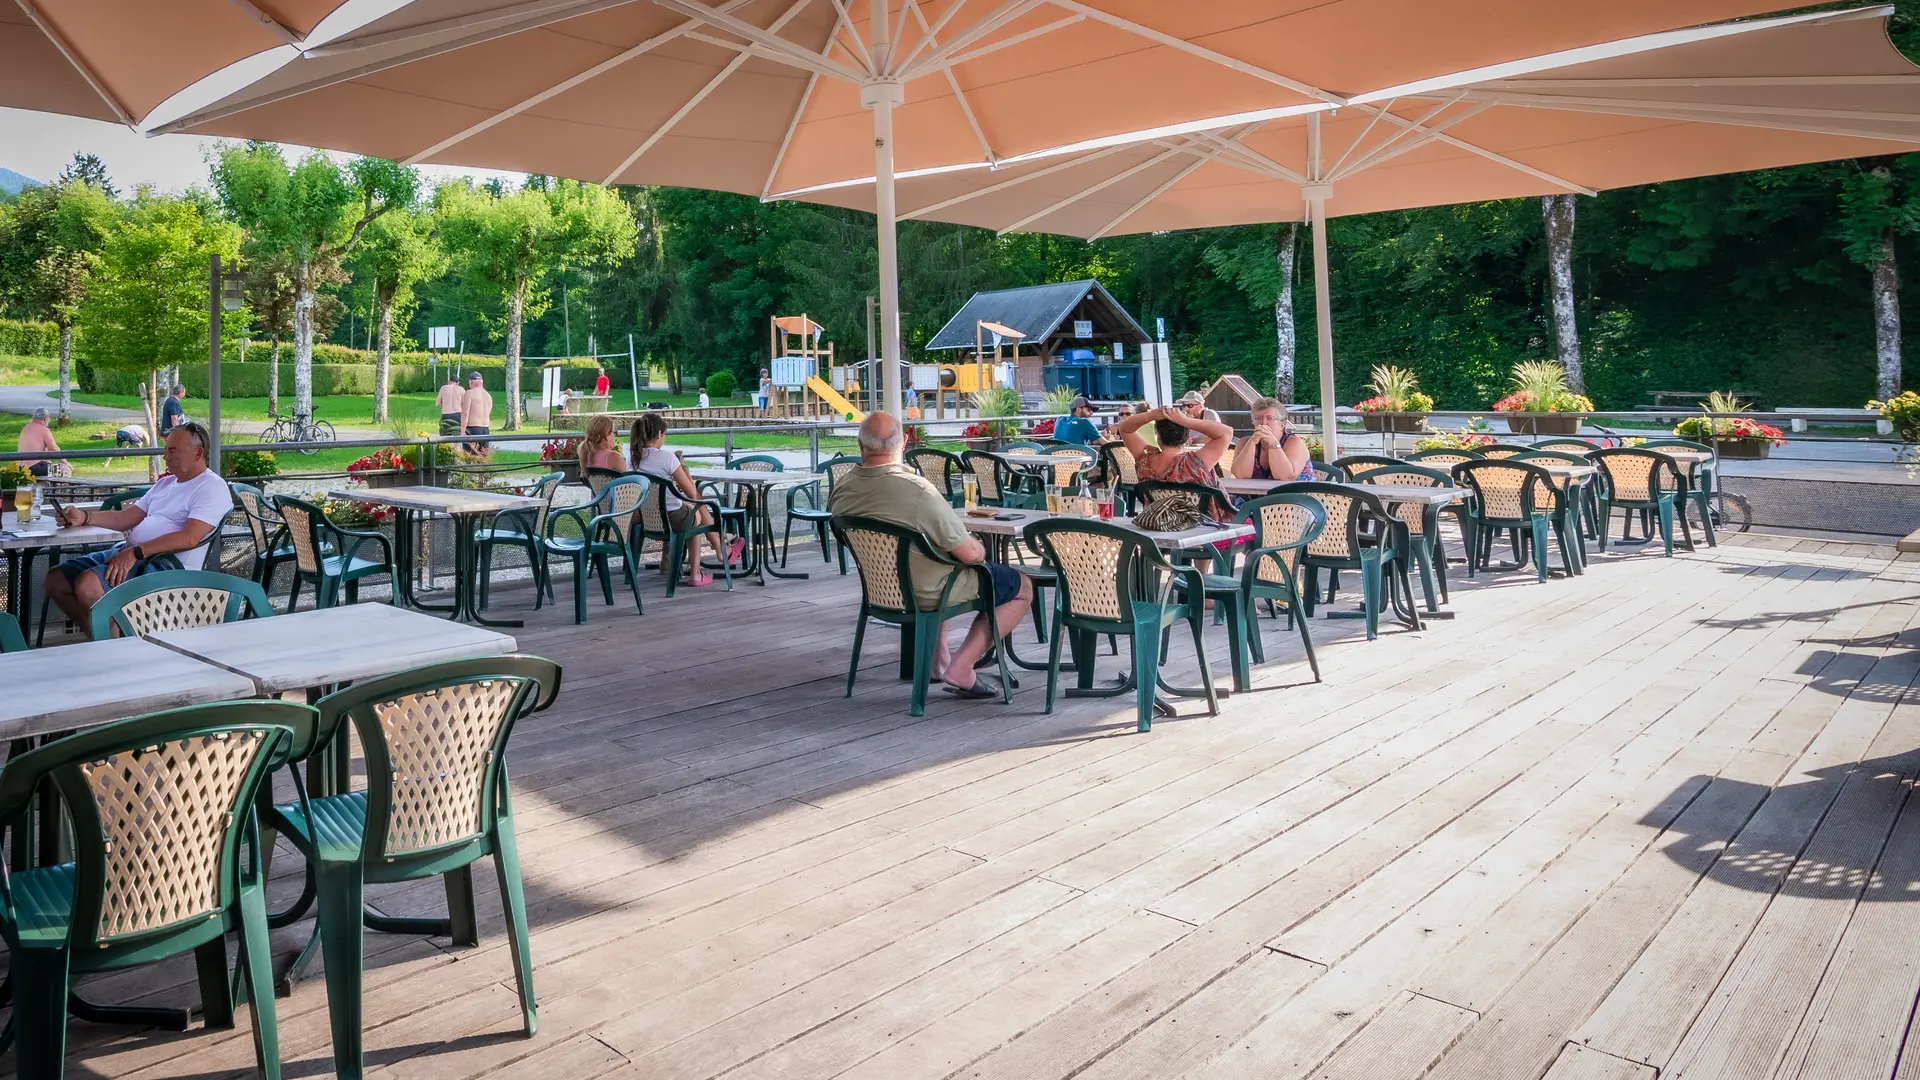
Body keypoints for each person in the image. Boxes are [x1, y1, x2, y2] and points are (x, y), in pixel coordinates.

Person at [830, 412, 1032, 698]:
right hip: (927, 592)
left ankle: (939, 663)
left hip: (881, 592)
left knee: (933, 561)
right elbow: (972, 554)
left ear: (860, 446)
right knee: (1020, 585)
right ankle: (962, 667)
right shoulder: (917, 491)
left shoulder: (843, 488)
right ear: (904, 444)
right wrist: (976, 544)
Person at [45, 422, 231, 635]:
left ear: (198, 453)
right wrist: (84, 517)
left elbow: (189, 538)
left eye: (173, 451)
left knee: (88, 585)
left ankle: (113, 648)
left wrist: (135, 553)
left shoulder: (211, 486)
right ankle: (107, 640)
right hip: (133, 553)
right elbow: (125, 518)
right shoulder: (165, 484)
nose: (165, 457)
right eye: (165, 450)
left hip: (169, 566)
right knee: (56, 579)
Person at [628, 412, 743, 587]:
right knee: (697, 507)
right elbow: (691, 492)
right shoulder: (667, 458)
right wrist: (684, 470)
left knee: (693, 508)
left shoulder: (631, 459)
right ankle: (701, 569)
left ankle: (673, 562)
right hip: (673, 517)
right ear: (659, 434)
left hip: (646, 518)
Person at [1117, 405, 1233, 488]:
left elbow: (1124, 428)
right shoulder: (1195, 463)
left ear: (1158, 436)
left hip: (1155, 521)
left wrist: (1150, 415)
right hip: (1197, 522)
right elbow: (1226, 432)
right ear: (1187, 437)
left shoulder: (1145, 461)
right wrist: (1186, 421)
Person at [1231, 396, 1315, 484]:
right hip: (1255, 495)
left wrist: (1273, 443)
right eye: (1258, 418)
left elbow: (1285, 477)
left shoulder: (1294, 443)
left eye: (1269, 418)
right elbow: (1241, 475)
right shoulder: (1245, 442)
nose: (1263, 422)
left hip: (1294, 495)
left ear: (1282, 424)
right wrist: (1251, 443)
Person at [18, 408, 59, 477]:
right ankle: (58, 486)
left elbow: (33, 449)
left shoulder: (26, 428)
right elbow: (54, 448)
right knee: (63, 469)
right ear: (45, 418)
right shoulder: (44, 430)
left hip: (22, 467)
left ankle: (50, 484)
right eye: (49, 418)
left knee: (52, 468)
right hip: (35, 467)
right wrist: (66, 463)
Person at [461, 371, 492, 454]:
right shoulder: (488, 396)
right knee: (483, 456)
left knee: (469, 456)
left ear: (471, 382)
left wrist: (462, 431)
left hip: (472, 429)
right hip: (485, 429)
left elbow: (465, 413)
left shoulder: (469, 393)